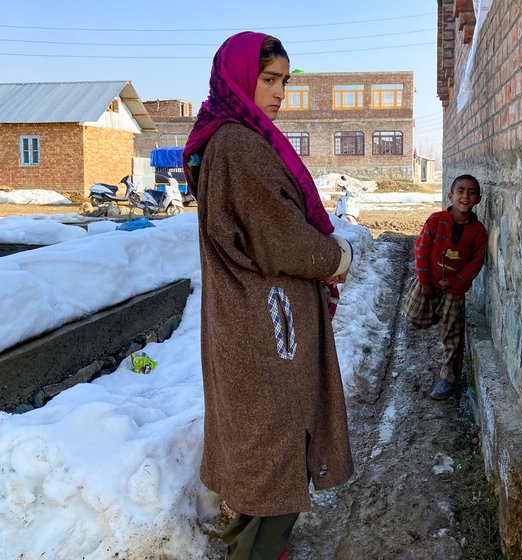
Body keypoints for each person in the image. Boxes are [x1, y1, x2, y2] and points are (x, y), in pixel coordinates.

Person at [182, 32, 354, 560]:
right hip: (267, 325)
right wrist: (337, 256)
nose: (279, 93)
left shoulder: (234, 137)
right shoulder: (239, 145)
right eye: (268, 79)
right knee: (276, 439)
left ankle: (258, 545)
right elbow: (279, 237)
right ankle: (257, 551)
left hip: (253, 318)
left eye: (283, 80)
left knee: (265, 441)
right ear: (238, 78)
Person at [402, 174, 488, 400]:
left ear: (478, 199)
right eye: (460, 191)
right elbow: (421, 251)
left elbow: (476, 262)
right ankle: (437, 314)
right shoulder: (436, 221)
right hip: (429, 281)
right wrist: (424, 281)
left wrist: (454, 282)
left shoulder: (478, 231)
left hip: (454, 290)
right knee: (414, 317)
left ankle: (448, 378)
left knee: (453, 335)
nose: (465, 196)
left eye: (471, 192)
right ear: (450, 196)